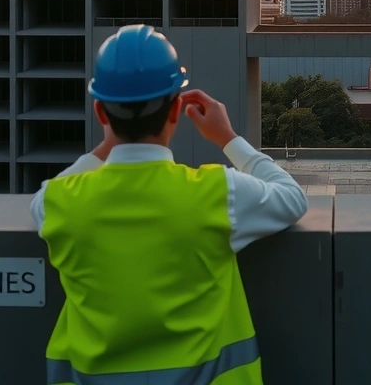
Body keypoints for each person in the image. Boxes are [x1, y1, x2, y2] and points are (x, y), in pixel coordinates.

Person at [30, 24, 307, 385]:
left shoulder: (60, 203)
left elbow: (51, 190)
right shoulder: (216, 193)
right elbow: (291, 196)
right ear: (176, 109)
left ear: (100, 112)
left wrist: (110, 141)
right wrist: (227, 138)